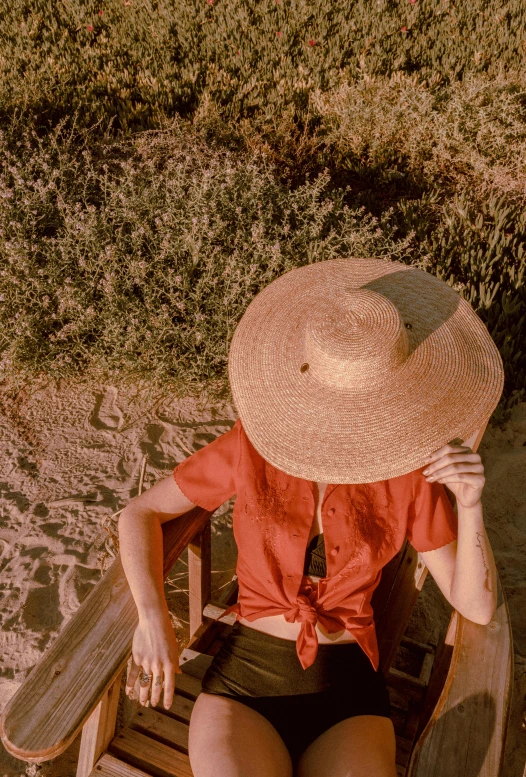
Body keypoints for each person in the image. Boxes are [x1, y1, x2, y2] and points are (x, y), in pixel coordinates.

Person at [118, 257, 503, 777]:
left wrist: (471, 501)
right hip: (246, 686)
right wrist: (151, 616)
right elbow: (140, 514)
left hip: (348, 696)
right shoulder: (253, 445)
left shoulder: (409, 472)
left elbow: (476, 606)